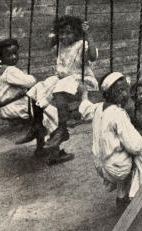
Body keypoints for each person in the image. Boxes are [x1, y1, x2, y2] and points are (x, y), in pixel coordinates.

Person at [78, 73, 142, 211]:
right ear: (110, 93)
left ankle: (121, 197)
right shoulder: (118, 113)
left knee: (123, 154)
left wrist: (84, 94)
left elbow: (84, 108)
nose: (125, 94)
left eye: (125, 90)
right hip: (117, 169)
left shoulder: (98, 107)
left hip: (100, 166)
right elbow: (135, 146)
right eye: (120, 91)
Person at [27, 16, 99, 155]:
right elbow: (50, 43)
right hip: (63, 80)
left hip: (81, 80)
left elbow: (92, 56)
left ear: (77, 33)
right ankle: (37, 125)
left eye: (68, 33)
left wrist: (87, 34)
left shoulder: (81, 44)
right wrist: (55, 33)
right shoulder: (60, 45)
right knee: (36, 90)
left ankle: (61, 129)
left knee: (59, 90)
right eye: (61, 33)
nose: (64, 36)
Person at [0, 39, 59, 156]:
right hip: (13, 107)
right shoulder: (10, 70)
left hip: (2, 108)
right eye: (9, 55)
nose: (13, 57)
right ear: (1, 56)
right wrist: (33, 79)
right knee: (50, 113)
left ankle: (39, 140)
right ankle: (53, 150)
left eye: (15, 53)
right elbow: (30, 82)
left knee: (40, 105)